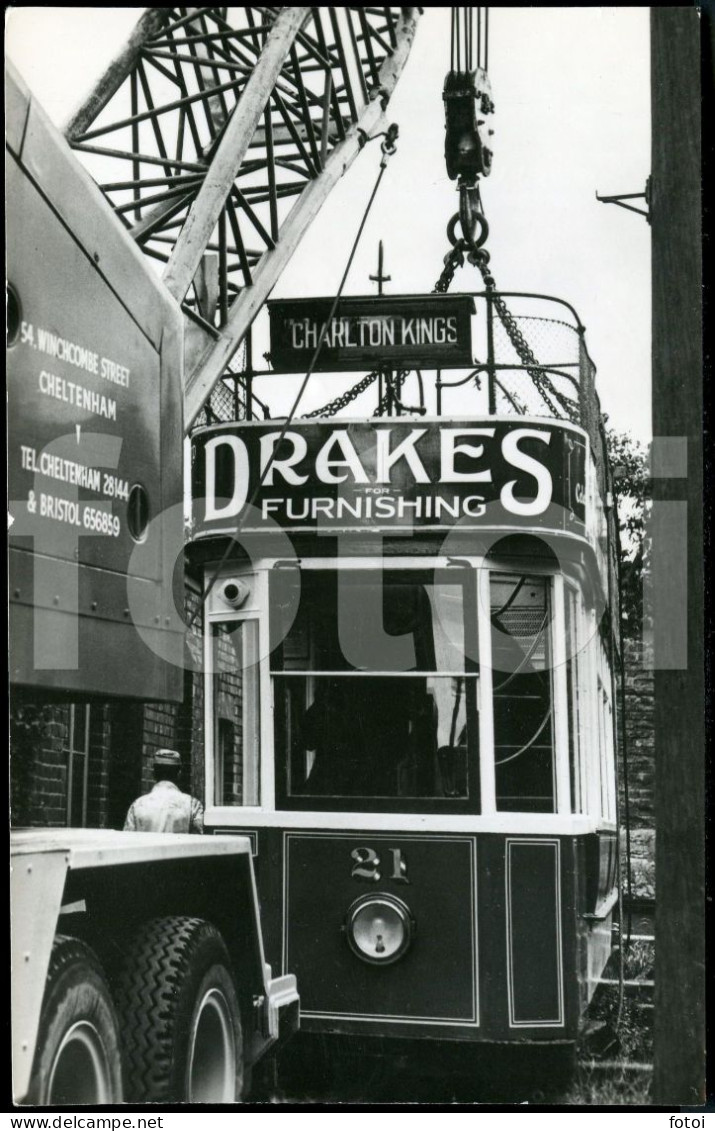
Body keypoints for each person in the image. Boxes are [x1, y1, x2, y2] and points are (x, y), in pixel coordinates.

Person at [124, 749, 204, 833]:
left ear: (153, 773)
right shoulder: (192, 805)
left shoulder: (137, 805)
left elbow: (127, 840)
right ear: (179, 774)